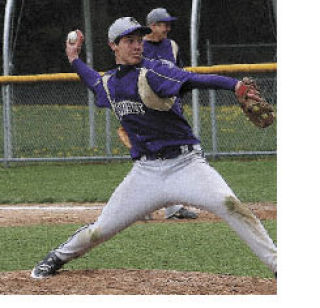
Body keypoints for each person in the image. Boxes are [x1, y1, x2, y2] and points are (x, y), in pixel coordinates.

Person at [30, 17, 277, 279]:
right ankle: (57, 257)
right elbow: (92, 81)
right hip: (146, 173)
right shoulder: (109, 83)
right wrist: (74, 59)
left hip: (186, 165)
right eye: (129, 41)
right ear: (113, 45)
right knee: (101, 230)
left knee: (230, 205)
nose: (137, 46)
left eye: (139, 40)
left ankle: (277, 264)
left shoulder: (154, 71)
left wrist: (235, 86)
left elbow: (191, 80)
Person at [142, 8, 196, 220]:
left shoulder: (171, 46)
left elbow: (179, 75)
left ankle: (173, 207)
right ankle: (141, 208)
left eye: (168, 24)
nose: (167, 28)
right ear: (152, 26)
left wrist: (179, 101)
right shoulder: (139, 47)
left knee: (174, 154)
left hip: (170, 108)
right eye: (163, 24)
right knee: (148, 158)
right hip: (146, 110)